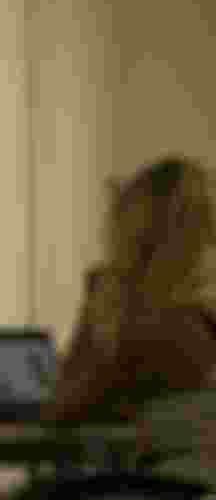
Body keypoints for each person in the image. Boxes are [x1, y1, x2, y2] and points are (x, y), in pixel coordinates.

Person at [42, 157, 216, 426]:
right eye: (202, 221)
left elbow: (63, 409)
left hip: (134, 461)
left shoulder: (118, 313)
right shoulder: (189, 322)